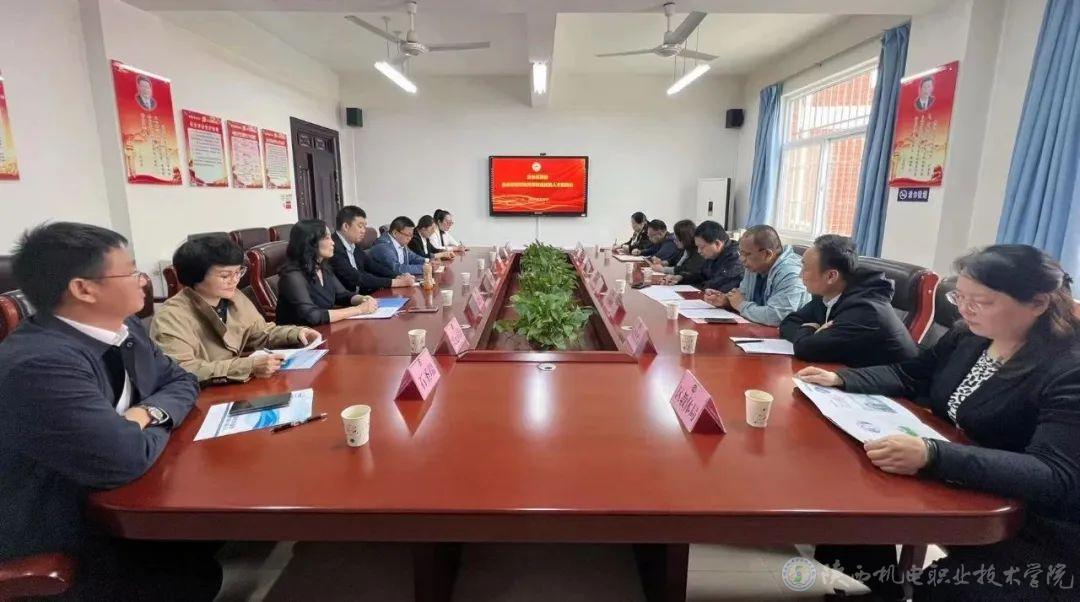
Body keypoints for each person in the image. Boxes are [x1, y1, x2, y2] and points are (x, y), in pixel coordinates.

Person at [797, 245, 1080, 601]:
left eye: (982, 301)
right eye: (959, 297)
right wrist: (843, 379)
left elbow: (1054, 473)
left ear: (1037, 303)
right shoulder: (969, 335)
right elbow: (912, 374)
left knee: (947, 585)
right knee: (854, 508)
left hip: (1036, 523)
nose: (964, 309)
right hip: (963, 483)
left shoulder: (1068, 368)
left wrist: (934, 455)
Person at [0, 222, 220, 600]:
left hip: (126, 496)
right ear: (83, 289)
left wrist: (146, 415)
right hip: (63, 529)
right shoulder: (40, 363)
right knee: (192, 577)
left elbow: (182, 381)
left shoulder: (123, 326)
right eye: (131, 272)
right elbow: (124, 458)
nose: (144, 281)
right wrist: (139, 430)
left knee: (205, 546)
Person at [150, 236, 321, 385]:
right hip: (202, 395)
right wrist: (248, 366)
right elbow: (182, 369)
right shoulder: (171, 316)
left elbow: (260, 333)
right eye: (225, 276)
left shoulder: (234, 297)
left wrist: (296, 333)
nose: (234, 280)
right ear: (195, 275)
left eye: (238, 272)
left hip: (236, 386)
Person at [779, 235, 918, 367]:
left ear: (831, 276)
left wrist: (808, 329)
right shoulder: (828, 293)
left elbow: (805, 349)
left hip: (893, 382)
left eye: (805, 268)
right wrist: (812, 334)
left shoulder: (866, 310)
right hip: (850, 371)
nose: (800, 275)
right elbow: (788, 322)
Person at [276, 219, 379, 326]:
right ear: (310, 243)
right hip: (301, 334)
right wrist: (359, 310)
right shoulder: (292, 276)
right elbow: (312, 316)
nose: (333, 242)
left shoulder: (323, 267)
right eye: (327, 238)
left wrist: (362, 299)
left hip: (324, 329)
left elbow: (342, 295)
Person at [704, 225, 808, 325]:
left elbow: (777, 317)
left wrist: (741, 305)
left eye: (747, 254)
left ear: (768, 254)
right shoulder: (754, 266)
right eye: (741, 253)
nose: (741, 259)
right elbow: (743, 296)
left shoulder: (791, 274)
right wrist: (727, 300)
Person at [330, 205, 415, 294]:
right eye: (360, 226)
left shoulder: (353, 245)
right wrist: (395, 282)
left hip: (363, 294)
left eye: (364, 227)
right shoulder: (333, 247)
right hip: (348, 299)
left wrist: (398, 276)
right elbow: (356, 277)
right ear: (346, 226)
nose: (363, 231)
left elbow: (372, 266)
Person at [679, 220, 743, 291]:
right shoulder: (713, 255)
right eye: (697, 247)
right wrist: (681, 278)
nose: (699, 251)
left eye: (702, 247)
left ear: (717, 244)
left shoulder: (735, 259)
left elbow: (717, 286)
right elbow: (701, 276)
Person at [655, 219, 704, 284]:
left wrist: (664, 269)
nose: (674, 241)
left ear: (684, 238)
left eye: (676, 238)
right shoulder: (683, 249)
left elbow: (689, 269)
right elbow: (673, 259)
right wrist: (664, 262)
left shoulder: (698, 252)